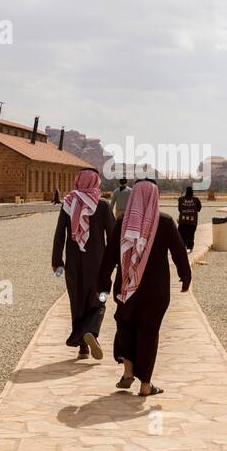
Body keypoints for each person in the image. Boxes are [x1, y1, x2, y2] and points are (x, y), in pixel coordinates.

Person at [98, 180, 191, 397]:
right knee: (149, 333)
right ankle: (145, 385)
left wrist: (102, 284)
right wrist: (185, 278)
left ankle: (128, 371)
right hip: (155, 292)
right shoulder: (165, 222)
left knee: (125, 325)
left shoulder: (123, 223)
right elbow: (179, 252)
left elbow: (109, 256)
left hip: (126, 288)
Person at [52, 169, 114, 359]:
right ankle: (91, 332)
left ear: (78, 181)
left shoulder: (68, 203)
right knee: (100, 300)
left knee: (77, 301)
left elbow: (60, 234)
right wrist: (116, 262)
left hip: (72, 263)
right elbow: (112, 235)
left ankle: (82, 347)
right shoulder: (102, 206)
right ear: (96, 183)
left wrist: (57, 261)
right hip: (97, 263)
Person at [176, 185, 201, 251]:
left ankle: (182, 247)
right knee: (191, 235)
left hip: (183, 221)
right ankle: (190, 248)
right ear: (192, 192)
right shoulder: (196, 199)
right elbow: (199, 209)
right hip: (192, 222)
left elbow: (179, 209)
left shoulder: (181, 199)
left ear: (186, 192)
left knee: (181, 235)